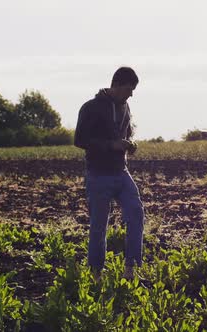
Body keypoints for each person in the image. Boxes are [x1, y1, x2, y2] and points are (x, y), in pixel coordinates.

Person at [74, 67, 144, 280]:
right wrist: (111, 145)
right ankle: (96, 273)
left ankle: (131, 268)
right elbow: (80, 140)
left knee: (136, 213)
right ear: (117, 84)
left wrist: (130, 144)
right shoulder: (91, 107)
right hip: (98, 174)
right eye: (129, 89)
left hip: (121, 172)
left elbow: (128, 133)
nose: (131, 94)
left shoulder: (126, 107)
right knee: (98, 225)